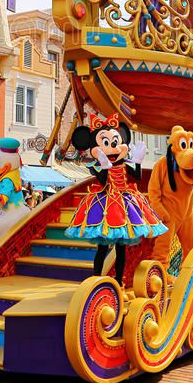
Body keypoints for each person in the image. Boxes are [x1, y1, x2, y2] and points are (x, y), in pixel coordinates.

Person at [65, 114, 167, 291]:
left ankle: (119, 280)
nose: (112, 148)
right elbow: (104, 181)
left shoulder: (125, 163)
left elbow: (136, 177)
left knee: (121, 249)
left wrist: (137, 161)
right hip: (106, 206)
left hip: (125, 206)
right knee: (102, 247)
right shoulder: (96, 165)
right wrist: (104, 166)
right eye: (105, 143)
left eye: (115, 143)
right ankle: (96, 279)